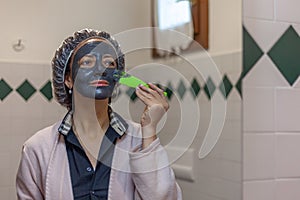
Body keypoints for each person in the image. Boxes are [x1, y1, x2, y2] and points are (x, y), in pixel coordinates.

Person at [16, 29, 182, 200]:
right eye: (87, 62)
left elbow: (163, 197)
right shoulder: (37, 148)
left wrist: (149, 130)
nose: (101, 70)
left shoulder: (141, 140)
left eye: (109, 63)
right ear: (68, 79)